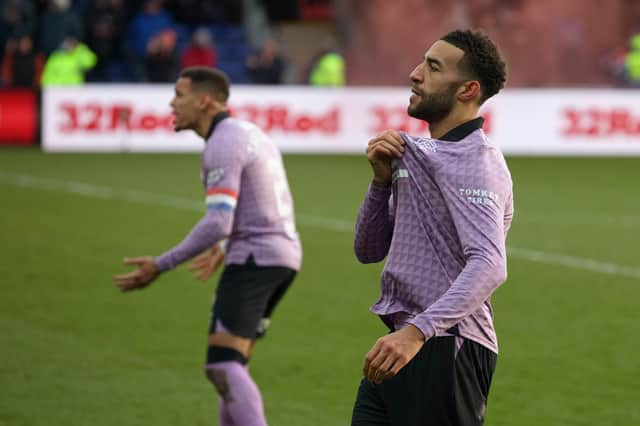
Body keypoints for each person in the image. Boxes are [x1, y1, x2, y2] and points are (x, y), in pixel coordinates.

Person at [114, 67, 302, 426]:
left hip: (255, 260)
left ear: (204, 101)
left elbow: (218, 220)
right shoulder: (246, 133)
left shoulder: (222, 142)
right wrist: (226, 244)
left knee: (222, 366)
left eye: (179, 95)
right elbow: (256, 200)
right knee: (230, 366)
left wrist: (160, 264)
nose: (172, 103)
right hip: (280, 256)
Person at [351, 29, 512, 425]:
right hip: (400, 343)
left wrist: (416, 333)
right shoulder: (419, 154)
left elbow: (490, 264)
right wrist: (380, 182)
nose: (415, 74)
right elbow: (368, 250)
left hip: (446, 344)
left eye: (433, 67)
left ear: (467, 90)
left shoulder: (477, 160)